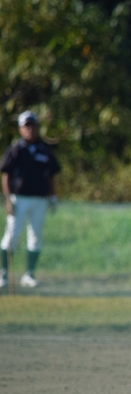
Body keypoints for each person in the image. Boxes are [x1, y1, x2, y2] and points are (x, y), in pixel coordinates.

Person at [0, 111, 61, 288]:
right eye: (26, 126)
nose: (30, 130)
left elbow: (50, 175)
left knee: (35, 236)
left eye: (33, 126)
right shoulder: (16, 149)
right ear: (20, 129)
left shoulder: (44, 150)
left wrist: (53, 196)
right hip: (19, 198)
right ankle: (3, 274)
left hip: (39, 199)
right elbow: (6, 175)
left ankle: (29, 274)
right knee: (12, 235)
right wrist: (8, 199)